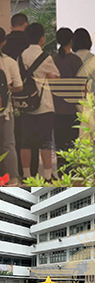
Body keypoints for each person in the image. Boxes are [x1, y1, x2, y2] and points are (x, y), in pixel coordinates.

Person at [19, 23, 60, 182]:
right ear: (42, 38)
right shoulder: (46, 57)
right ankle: (47, 175)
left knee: (26, 142)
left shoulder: (21, 56)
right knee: (46, 142)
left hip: (26, 104)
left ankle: (27, 175)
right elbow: (56, 76)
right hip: (44, 104)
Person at [3, 13, 37, 179]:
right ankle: (27, 173)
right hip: (29, 99)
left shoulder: (6, 43)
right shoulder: (29, 43)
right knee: (25, 137)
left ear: (11, 26)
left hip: (7, 102)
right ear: (25, 25)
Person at [52, 28, 83, 174]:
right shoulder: (76, 60)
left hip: (56, 106)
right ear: (71, 41)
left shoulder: (53, 59)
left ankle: (60, 168)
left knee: (59, 140)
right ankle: (71, 169)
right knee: (72, 140)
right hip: (73, 107)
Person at [0, 28, 21, 186]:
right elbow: (19, 86)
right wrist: (8, 88)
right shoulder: (10, 62)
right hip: (5, 109)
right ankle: (12, 178)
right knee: (9, 143)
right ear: (4, 42)